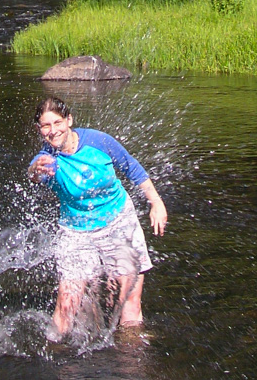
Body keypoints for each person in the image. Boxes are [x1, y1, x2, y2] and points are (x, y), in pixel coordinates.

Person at [28, 96, 168, 338]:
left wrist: (156, 202)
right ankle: (55, 360)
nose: (53, 131)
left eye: (58, 122)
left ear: (69, 120)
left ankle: (131, 365)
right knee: (66, 305)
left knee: (129, 304)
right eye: (45, 126)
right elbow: (35, 174)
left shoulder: (98, 141)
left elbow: (131, 167)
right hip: (76, 232)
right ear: (39, 129)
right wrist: (34, 171)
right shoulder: (46, 160)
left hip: (118, 223)